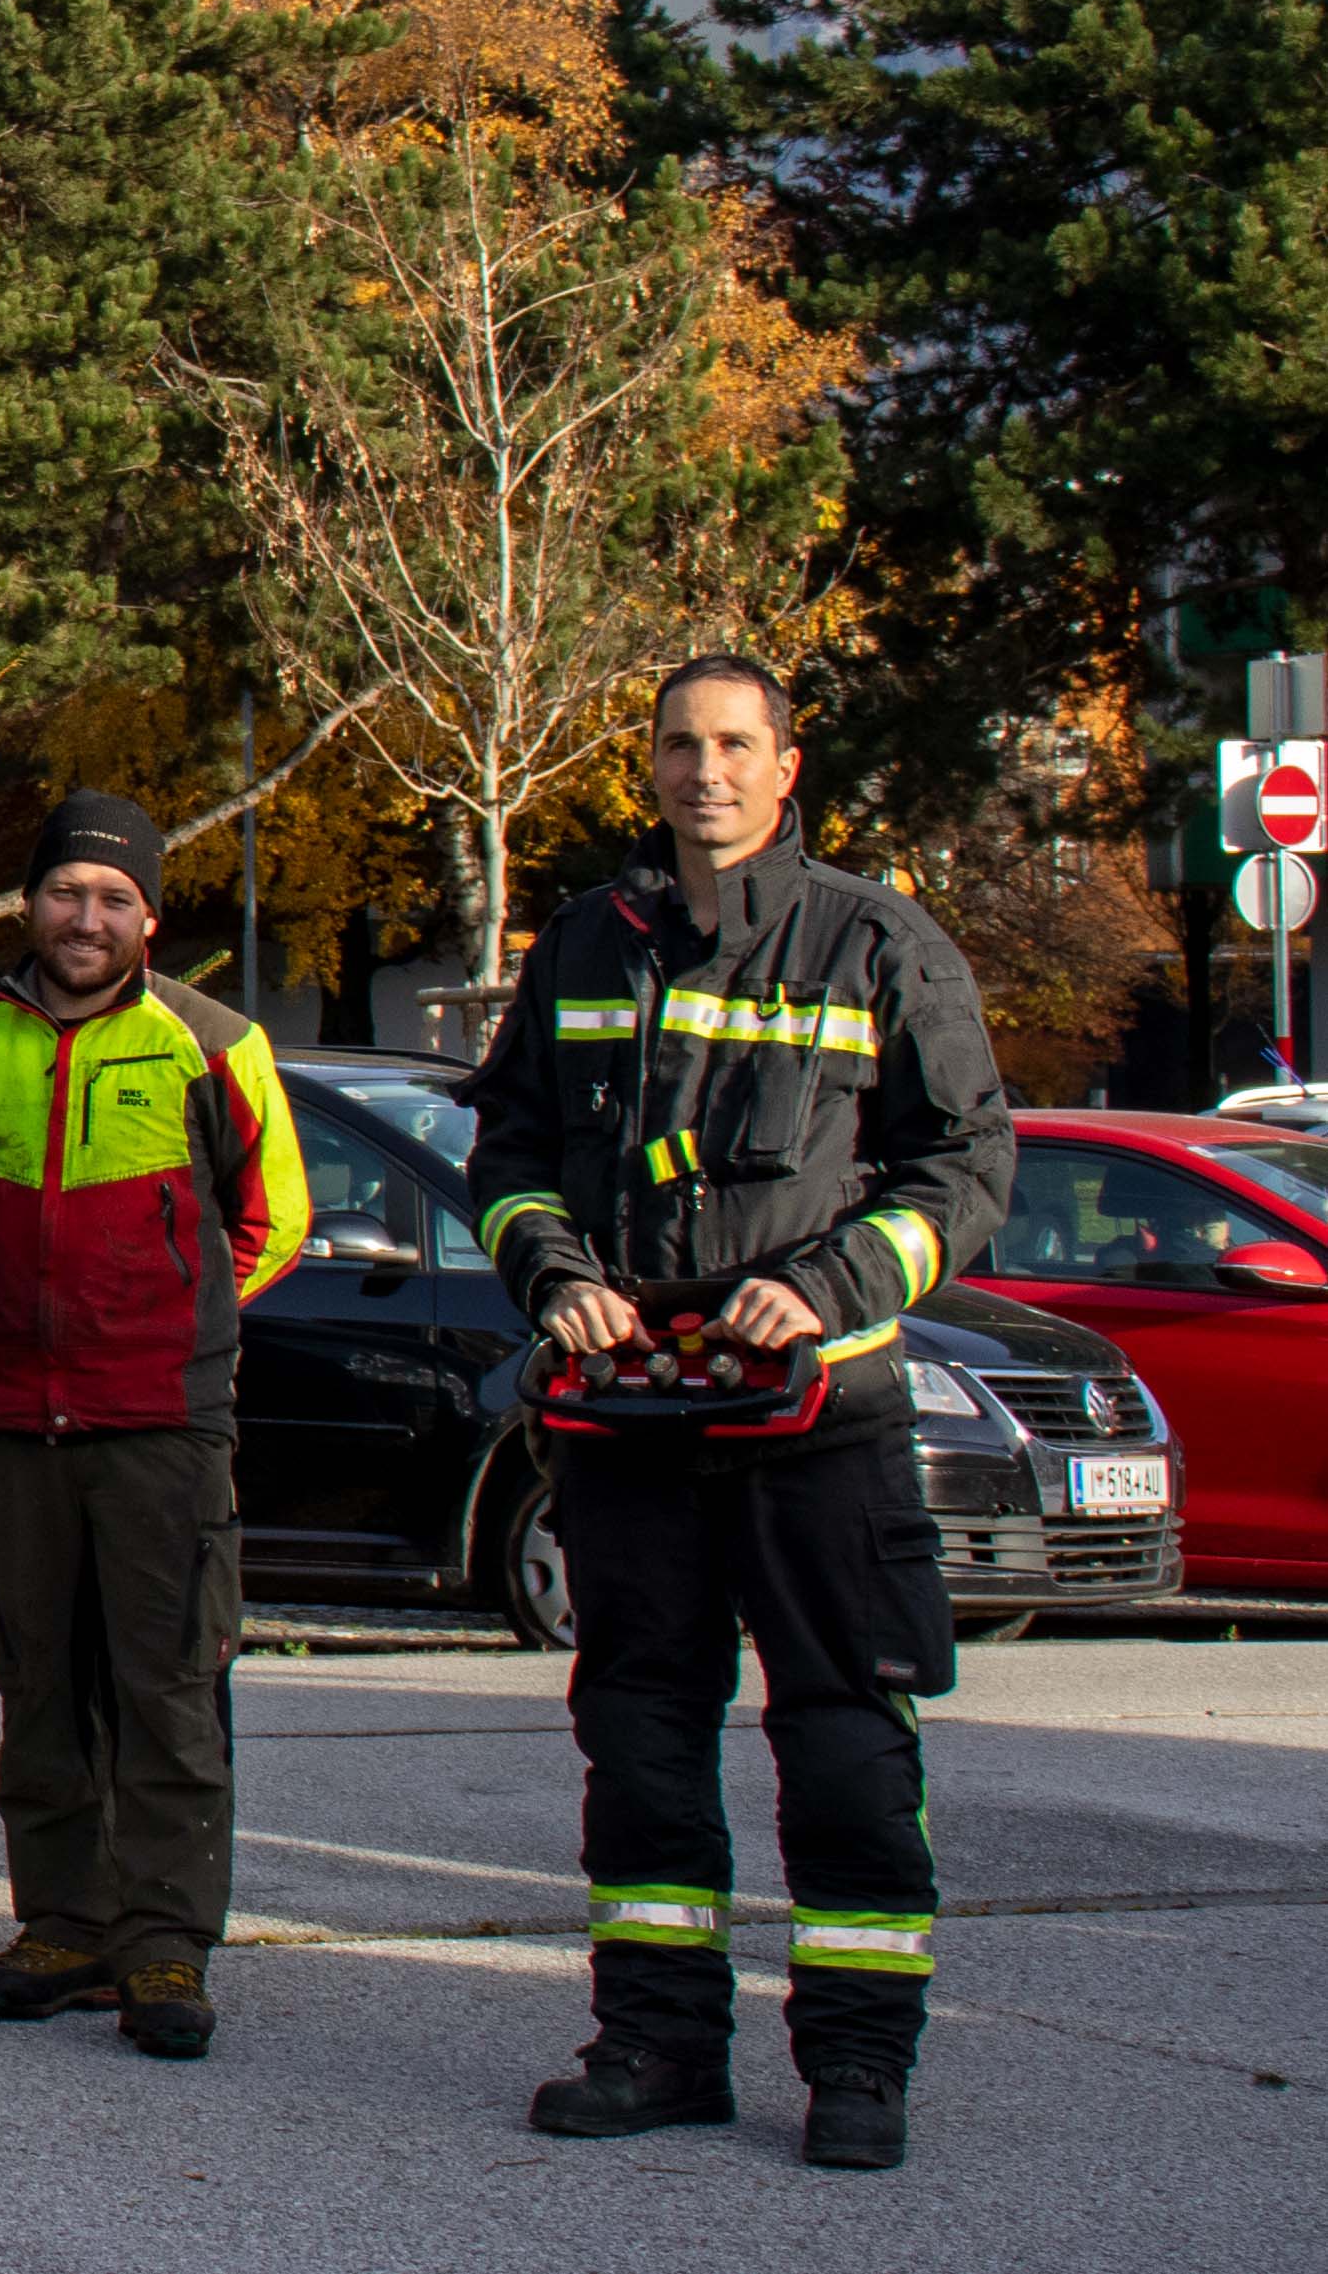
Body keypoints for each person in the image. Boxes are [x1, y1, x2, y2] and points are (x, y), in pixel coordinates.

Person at [462, 656, 1014, 2173]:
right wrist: (552, 1272)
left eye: (730, 744)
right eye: (676, 745)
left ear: (783, 765)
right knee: (639, 1737)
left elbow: (965, 1168)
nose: (701, 771)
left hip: (817, 1418)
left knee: (843, 1740)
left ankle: (857, 2064)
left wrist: (827, 1284)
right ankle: (653, 2047)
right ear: (647, 764)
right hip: (630, 1419)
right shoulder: (585, 941)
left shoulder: (876, 942)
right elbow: (506, 1149)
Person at [0, 790, 312, 2061]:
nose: (87, 917)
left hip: (159, 1420)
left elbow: (273, 1219)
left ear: (149, 919)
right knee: (36, 1684)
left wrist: (169, 1316)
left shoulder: (214, 1043)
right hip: (6, 1418)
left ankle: (164, 1939)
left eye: (114, 898)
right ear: (31, 904)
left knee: (168, 1685)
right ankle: (63, 1926)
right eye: (67, 891)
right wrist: (7, 1316)